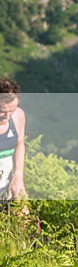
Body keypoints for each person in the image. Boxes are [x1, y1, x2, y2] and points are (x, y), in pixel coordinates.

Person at [0, 78, 27, 210]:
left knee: (25, 222)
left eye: (12, 110)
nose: (7, 116)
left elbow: (19, 144)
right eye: (2, 111)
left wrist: (18, 175)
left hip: (6, 189)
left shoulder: (18, 117)